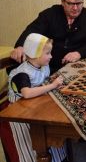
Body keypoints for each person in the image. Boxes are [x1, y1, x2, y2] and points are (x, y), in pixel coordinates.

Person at [10, 0, 86, 73]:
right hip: (48, 64)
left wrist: (79, 53)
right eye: (70, 4)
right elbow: (32, 30)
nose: (75, 8)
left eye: (79, 3)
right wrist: (21, 46)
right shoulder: (50, 14)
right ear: (62, 2)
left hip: (76, 66)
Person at [8, 33, 65, 162]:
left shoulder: (43, 65)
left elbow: (43, 80)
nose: (51, 56)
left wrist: (52, 84)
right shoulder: (23, 73)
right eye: (47, 53)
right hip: (20, 110)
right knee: (30, 143)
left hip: (35, 103)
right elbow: (27, 93)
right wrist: (52, 86)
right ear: (35, 54)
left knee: (48, 133)